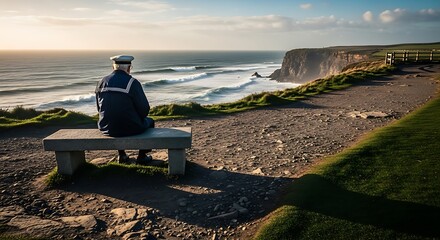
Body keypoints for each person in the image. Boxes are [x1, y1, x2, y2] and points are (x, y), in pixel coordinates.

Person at [95, 55, 155, 164]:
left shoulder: (101, 82)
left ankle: (122, 155)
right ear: (128, 68)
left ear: (113, 67)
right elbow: (144, 110)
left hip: (106, 127)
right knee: (150, 121)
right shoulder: (132, 83)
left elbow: (99, 108)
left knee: (116, 119)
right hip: (130, 127)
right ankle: (142, 156)